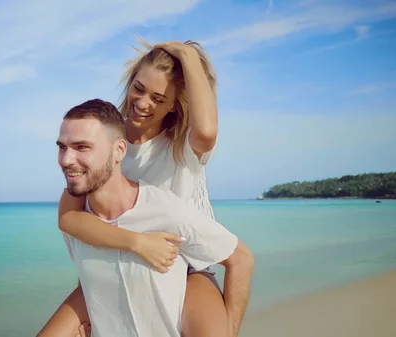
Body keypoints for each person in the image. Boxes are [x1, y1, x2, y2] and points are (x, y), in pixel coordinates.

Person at [37, 39, 254, 337]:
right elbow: (70, 218)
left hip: (187, 264)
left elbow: (206, 130)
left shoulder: (182, 145)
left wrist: (188, 55)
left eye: (158, 98)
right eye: (138, 88)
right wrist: (135, 243)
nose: (142, 103)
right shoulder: (104, 139)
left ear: (175, 105)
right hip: (117, 255)